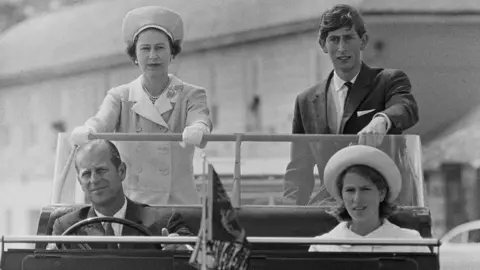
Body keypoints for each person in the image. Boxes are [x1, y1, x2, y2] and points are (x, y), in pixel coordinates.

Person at [70, 6, 212, 205]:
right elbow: (102, 121)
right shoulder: (120, 96)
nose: (153, 56)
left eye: (160, 48)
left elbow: (200, 118)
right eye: (145, 49)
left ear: (172, 53)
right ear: (135, 56)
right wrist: (89, 129)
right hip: (133, 205)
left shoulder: (191, 94)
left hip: (179, 203)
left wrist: (199, 128)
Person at [283, 4, 419, 205]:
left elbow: (406, 107)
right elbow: (298, 172)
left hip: (381, 209)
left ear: (363, 41)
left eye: (348, 38)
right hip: (330, 211)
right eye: (333, 39)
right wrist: (288, 219)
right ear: (323, 45)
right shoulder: (306, 101)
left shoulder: (388, 81)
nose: (341, 48)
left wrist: (382, 120)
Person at [49, 139, 193, 250]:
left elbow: (201, 256)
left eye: (101, 170)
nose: (94, 180)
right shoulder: (67, 228)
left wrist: (182, 248)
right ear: (80, 182)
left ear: (121, 171)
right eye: (86, 174)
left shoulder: (163, 222)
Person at [308, 145, 429, 253]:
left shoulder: (411, 243)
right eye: (350, 190)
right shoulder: (321, 247)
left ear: (381, 193)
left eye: (365, 189)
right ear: (341, 195)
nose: (357, 198)